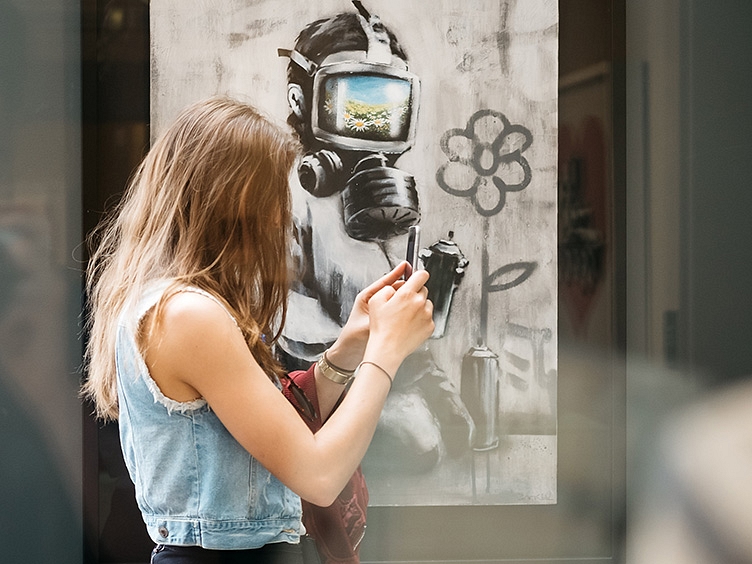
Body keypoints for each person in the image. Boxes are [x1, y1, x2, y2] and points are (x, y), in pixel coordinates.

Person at [81, 95, 434, 563]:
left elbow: (266, 426)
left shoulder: (175, 305)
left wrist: (349, 348)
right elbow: (319, 474)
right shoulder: (189, 315)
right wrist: (386, 352)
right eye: (273, 198)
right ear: (233, 200)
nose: (280, 218)